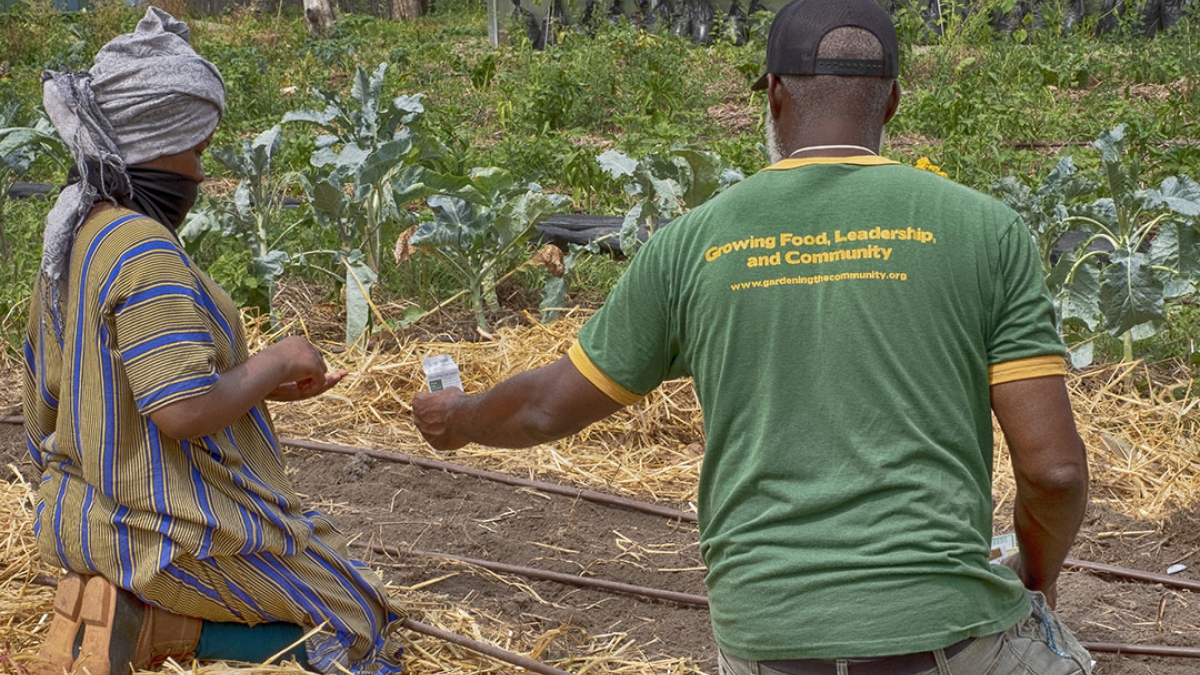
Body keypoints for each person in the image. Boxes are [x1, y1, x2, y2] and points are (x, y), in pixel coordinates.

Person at [412, 0, 1092, 673]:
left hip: (767, 639)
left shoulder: (691, 245)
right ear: (890, 104)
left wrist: (460, 417)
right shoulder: (985, 232)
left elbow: (544, 405)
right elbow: (1053, 471)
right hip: (946, 632)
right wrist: (1035, 578)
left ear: (771, 95)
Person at [24, 8, 403, 675]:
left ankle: (140, 615)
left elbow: (119, 384)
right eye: (196, 150)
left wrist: (258, 380)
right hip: (151, 533)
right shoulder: (143, 248)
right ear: (159, 141)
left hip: (80, 512)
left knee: (340, 568)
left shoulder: (79, 231)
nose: (200, 174)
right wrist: (282, 355)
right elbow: (182, 411)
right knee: (360, 621)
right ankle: (159, 628)